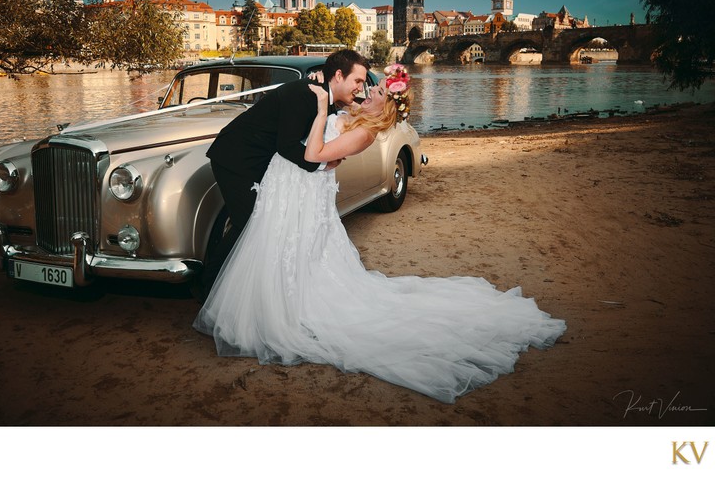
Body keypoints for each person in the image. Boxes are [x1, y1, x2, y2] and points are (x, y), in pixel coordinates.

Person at [193, 64, 566, 404]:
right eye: (366, 85)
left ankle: (268, 309)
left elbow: (314, 153)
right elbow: (318, 145)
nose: (370, 89)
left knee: (284, 248)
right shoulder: (353, 116)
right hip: (291, 186)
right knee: (275, 245)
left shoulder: (366, 133)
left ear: (385, 106)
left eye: (377, 91)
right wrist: (323, 95)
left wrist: (323, 111)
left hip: (300, 184)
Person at [201, 49, 371, 296]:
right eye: (357, 81)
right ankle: (210, 286)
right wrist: (321, 164)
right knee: (248, 222)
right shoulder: (304, 94)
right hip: (236, 159)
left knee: (263, 222)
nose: (360, 88)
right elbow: (287, 145)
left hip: (262, 162)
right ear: (337, 75)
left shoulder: (325, 95)